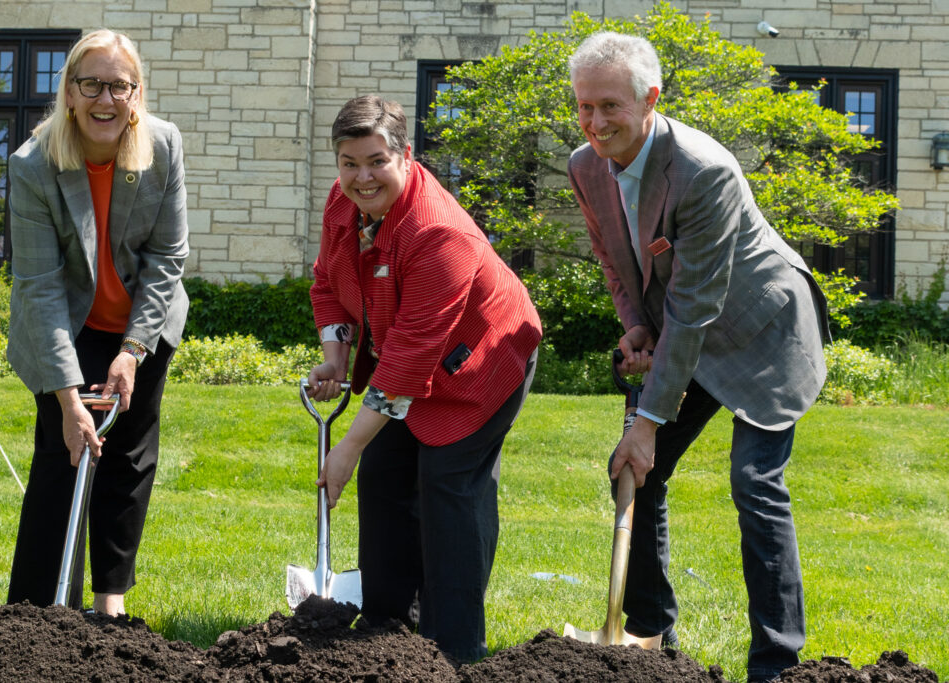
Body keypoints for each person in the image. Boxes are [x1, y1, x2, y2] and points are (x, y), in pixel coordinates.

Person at [566, 32, 830, 682]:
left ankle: (777, 664)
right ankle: (658, 649)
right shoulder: (584, 164)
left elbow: (695, 308)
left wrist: (649, 422)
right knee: (632, 470)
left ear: (650, 99)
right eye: (583, 107)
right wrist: (634, 324)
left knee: (754, 482)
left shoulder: (702, 169)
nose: (595, 123)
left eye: (610, 107)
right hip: (686, 324)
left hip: (761, 327)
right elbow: (614, 256)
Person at [307, 95, 542, 662]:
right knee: (385, 482)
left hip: (481, 360)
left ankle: (455, 650)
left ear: (405, 156)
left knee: (447, 490)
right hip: (405, 355)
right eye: (348, 163)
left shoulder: (439, 234)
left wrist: (346, 449)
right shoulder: (345, 205)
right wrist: (336, 357)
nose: (362, 177)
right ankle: (387, 636)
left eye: (376, 161)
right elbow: (326, 284)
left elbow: (410, 363)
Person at [5, 29, 189, 616]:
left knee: (129, 460)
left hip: (142, 321)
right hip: (67, 325)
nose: (105, 100)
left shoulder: (163, 146)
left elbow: (168, 258)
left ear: (136, 94)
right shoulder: (34, 165)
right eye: (92, 84)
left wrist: (133, 351)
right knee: (64, 455)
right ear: (69, 92)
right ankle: (36, 614)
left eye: (119, 85)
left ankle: (110, 605)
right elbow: (38, 285)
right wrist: (67, 398)